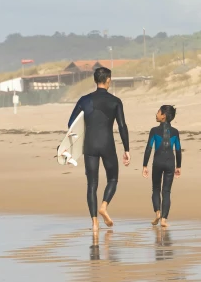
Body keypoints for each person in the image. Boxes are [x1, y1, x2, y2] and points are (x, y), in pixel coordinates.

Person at [68, 66, 130, 232]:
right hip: (107, 144)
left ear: (95, 80)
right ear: (108, 80)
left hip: (90, 145)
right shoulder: (115, 101)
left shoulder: (84, 100)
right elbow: (122, 126)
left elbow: (71, 124)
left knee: (92, 184)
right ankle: (104, 206)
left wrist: (73, 147)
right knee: (113, 179)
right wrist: (127, 149)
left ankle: (94, 223)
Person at [142, 105, 182, 228]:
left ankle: (157, 213)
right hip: (170, 163)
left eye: (158, 112)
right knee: (166, 191)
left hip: (158, 162)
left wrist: (144, 165)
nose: (156, 114)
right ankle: (164, 220)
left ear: (163, 115)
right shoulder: (175, 132)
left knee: (156, 189)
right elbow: (178, 150)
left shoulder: (154, 131)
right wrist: (179, 166)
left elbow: (149, 148)